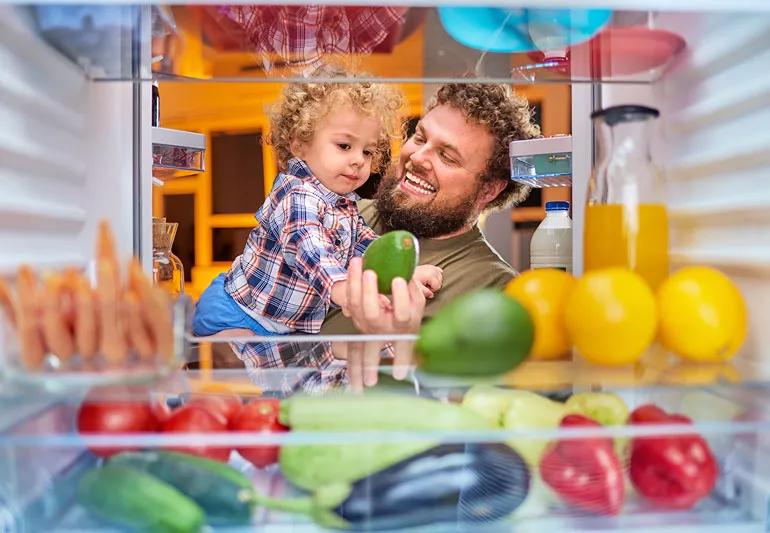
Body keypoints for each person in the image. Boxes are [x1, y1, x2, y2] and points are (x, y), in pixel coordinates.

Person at [192, 69, 442, 337]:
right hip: (237, 313)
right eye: (345, 146)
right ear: (300, 144)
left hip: (281, 330)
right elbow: (308, 245)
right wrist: (341, 287)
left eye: (367, 151)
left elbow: (367, 249)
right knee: (236, 367)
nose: (359, 159)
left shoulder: (343, 205)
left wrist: (404, 274)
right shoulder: (298, 195)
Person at [321, 82, 540, 335]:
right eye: (420, 137)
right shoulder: (336, 213)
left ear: (489, 189)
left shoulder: (494, 288)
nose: (417, 157)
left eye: (447, 157)